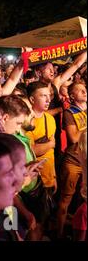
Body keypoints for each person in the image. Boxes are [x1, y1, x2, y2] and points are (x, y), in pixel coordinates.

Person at [56, 81, 87, 239]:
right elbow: (73, 138)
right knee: (65, 199)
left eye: (85, 90)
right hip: (74, 161)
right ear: (72, 96)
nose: (84, 92)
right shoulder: (70, 112)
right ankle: (59, 233)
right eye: (80, 91)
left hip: (85, 161)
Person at [26, 82, 57, 193]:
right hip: (32, 182)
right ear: (32, 99)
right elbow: (31, 151)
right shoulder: (26, 122)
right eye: (44, 96)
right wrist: (50, 144)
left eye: (49, 96)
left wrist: (53, 177)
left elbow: (50, 153)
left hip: (49, 179)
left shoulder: (50, 119)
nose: (48, 100)